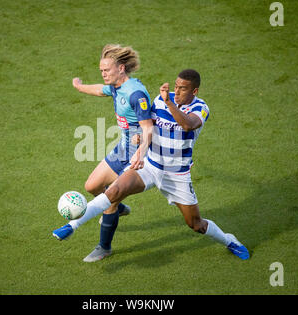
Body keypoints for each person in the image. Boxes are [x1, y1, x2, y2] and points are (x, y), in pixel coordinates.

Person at [53, 69, 249, 262]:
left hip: (177, 176)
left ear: (194, 91)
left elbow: (188, 124)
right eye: (176, 87)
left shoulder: (200, 107)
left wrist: (169, 102)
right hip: (150, 165)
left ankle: (229, 241)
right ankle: (71, 227)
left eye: (183, 89)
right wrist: (140, 142)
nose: (177, 91)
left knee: (196, 224)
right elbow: (149, 128)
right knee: (114, 191)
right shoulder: (160, 100)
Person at [54, 44, 154, 241]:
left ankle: (104, 246)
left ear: (121, 68)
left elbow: (149, 128)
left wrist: (140, 151)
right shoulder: (117, 87)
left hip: (141, 154)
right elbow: (101, 90)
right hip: (124, 148)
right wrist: (79, 86)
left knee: (110, 202)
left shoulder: (135, 94)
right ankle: (119, 207)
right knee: (91, 186)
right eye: (101, 70)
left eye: (106, 70)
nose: (103, 74)